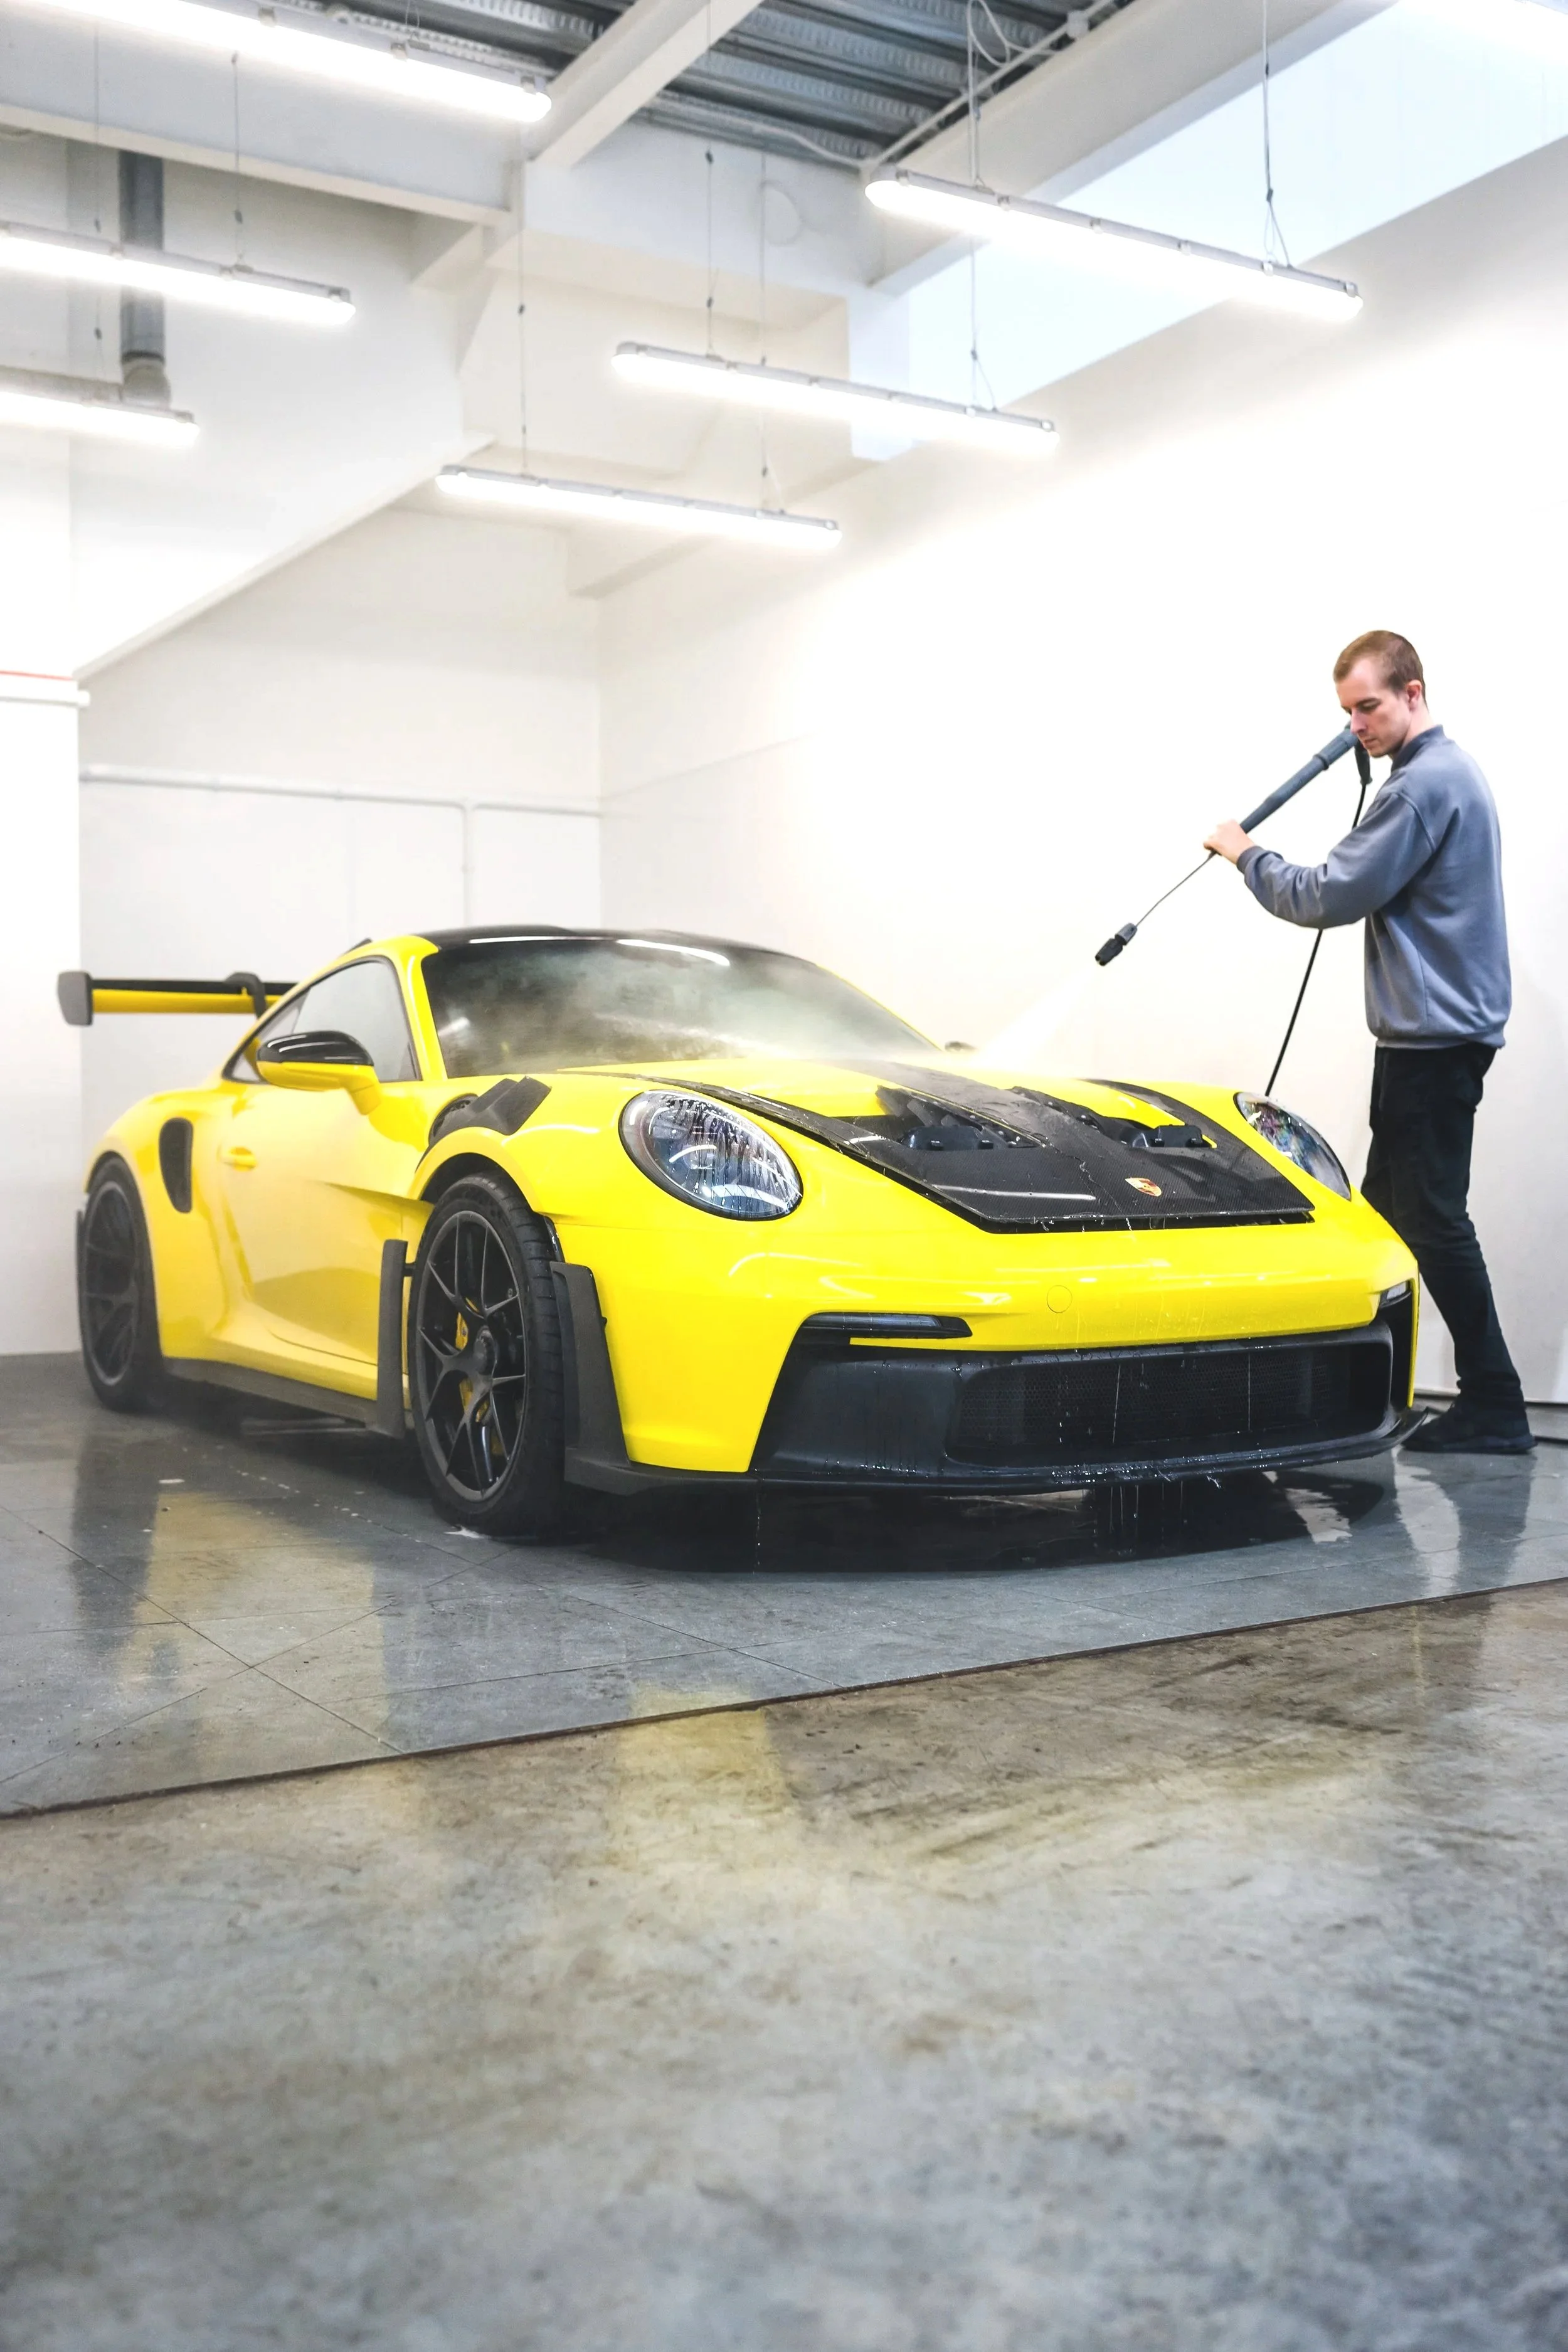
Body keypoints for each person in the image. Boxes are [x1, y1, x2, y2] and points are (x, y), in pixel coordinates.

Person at [1203, 629, 1532, 1455]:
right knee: (1389, 1212)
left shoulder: (1420, 788)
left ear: (1413, 691)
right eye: (1348, 712)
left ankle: (1495, 1401)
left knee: (1430, 1216)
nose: (1358, 725)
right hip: (1437, 1038)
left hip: (1432, 1042)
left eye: (1370, 706)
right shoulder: (1446, 775)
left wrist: (1247, 854)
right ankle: (1365, 1390)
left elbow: (1329, 893)